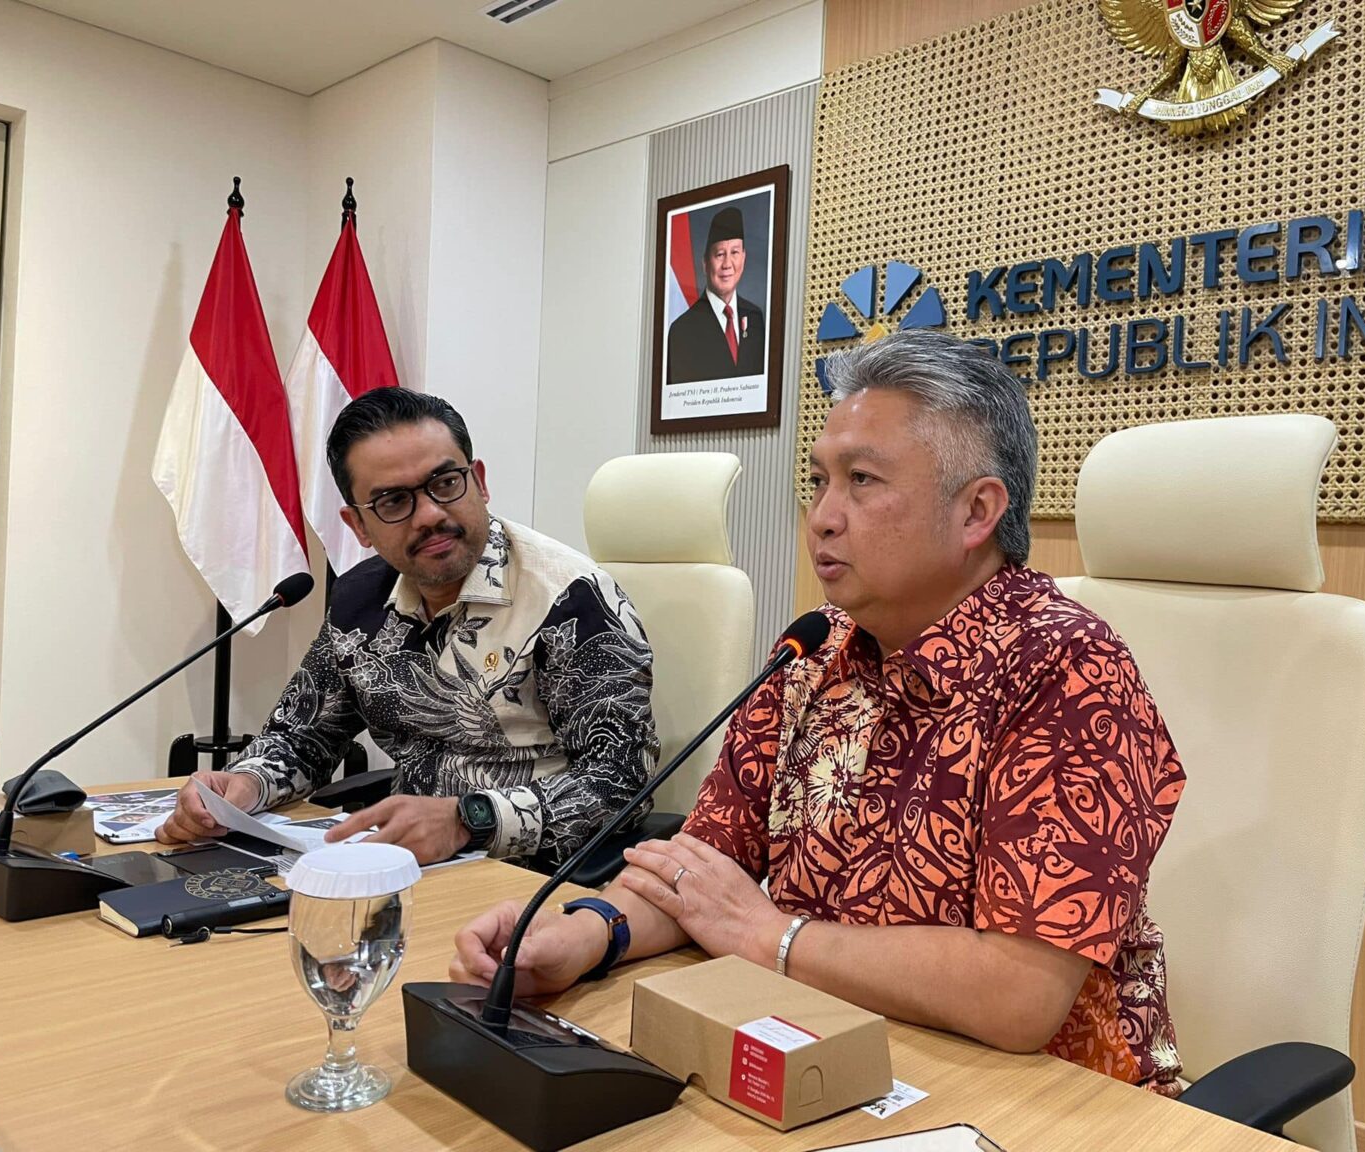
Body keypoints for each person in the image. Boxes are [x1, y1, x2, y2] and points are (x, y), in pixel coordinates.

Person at [452, 332, 1187, 1093]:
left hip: (1045, 1096)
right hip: (830, 1045)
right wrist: (581, 937)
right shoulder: (813, 649)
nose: (823, 517)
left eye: (861, 480)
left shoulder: (1065, 668)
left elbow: (1017, 995)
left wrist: (771, 936)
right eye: (818, 481)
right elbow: (702, 870)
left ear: (976, 512)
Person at [156, 388, 658, 866]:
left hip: (533, 875)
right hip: (399, 863)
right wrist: (244, 785)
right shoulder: (360, 601)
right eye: (394, 502)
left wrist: (469, 820)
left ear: (479, 482)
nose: (430, 515)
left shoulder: (571, 600)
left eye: (446, 484)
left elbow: (621, 781)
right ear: (358, 526)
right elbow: (303, 737)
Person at [665, 205, 766, 385]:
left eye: (734, 252)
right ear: (705, 263)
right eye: (720, 254)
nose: (727, 264)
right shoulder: (682, 330)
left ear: (744, 257)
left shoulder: (755, 317)